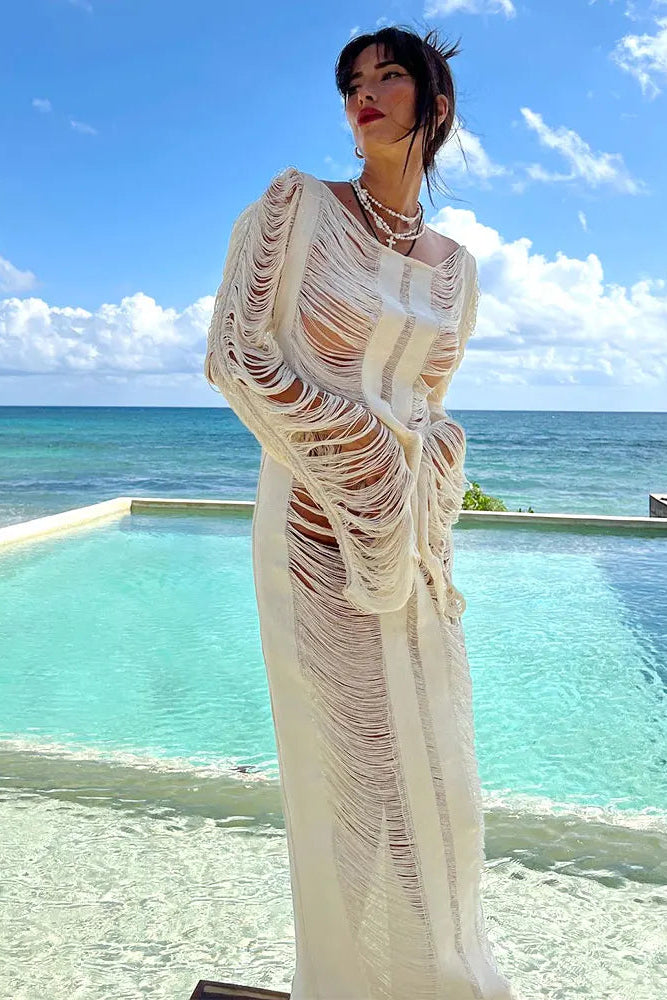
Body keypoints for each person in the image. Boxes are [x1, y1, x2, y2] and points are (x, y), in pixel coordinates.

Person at [205, 23, 518, 1000]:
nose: (363, 94)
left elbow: (430, 397)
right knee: (345, 777)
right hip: (309, 528)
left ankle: (438, 977)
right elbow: (237, 357)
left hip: (411, 547)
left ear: (434, 104)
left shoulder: (454, 267)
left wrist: (414, 480)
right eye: (351, 82)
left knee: (440, 776)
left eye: (388, 76)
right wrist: (366, 452)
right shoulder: (296, 210)